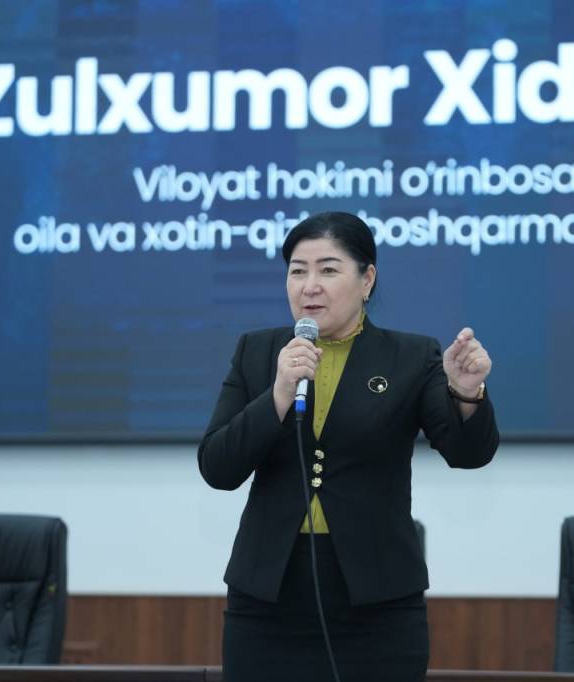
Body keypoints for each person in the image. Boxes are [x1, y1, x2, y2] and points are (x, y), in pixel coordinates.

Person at [198, 211, 499, 681]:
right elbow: (218, 467)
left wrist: (465, 393)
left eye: (328, 270)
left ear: (367, 279)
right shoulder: (257, 352)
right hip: (267, 597)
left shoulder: (410, 356)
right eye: (298, 271)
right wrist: (278, 394)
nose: (309, 286)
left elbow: (468, 455)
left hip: (376, 600)